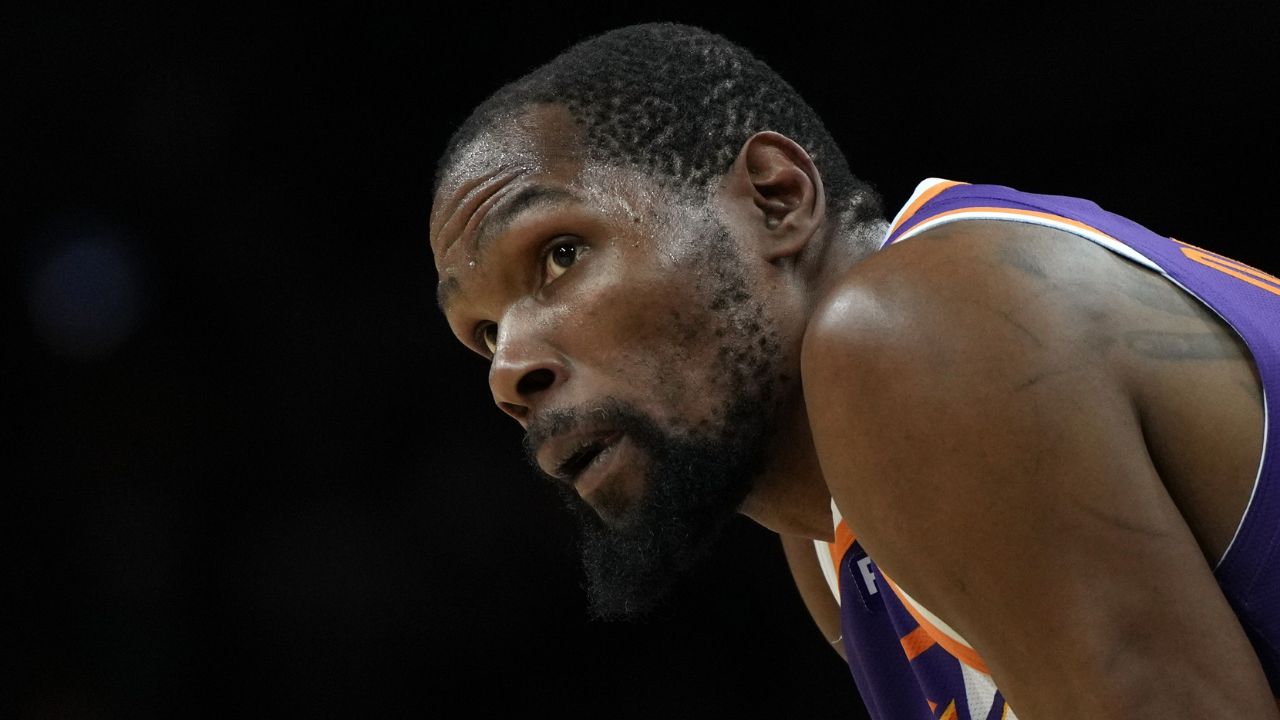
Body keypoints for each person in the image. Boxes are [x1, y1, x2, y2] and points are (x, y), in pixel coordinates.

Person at [428, 22, 1280, 719]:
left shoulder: (915, 330)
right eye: (483, 333)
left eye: (560, 255)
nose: (508, 370)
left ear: (775, 196)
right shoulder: (827, 540)